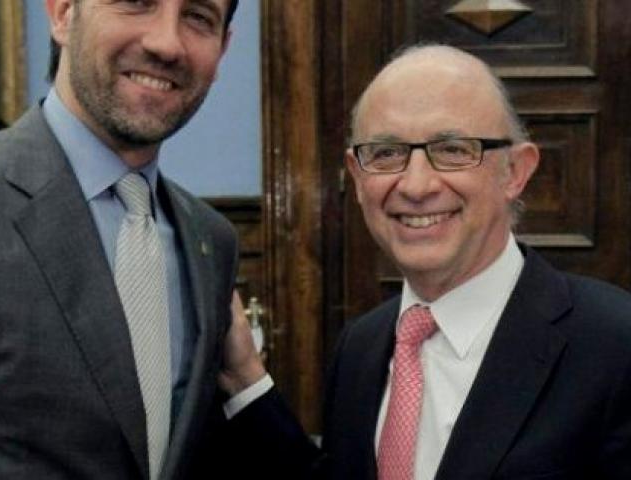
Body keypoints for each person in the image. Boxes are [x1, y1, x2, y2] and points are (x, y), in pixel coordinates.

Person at [220, 44, 631, 479]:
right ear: (357, 177)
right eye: (386, 153)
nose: (416, 186)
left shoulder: (614, 345)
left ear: (515, 171)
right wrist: (246, 380)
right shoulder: (360, 347)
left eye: (453, 149)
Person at [0, 0, 243, 478]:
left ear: (222, 48)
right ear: (63, 12)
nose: (167, 43)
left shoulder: (211, 240)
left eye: (198, 17)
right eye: (136, 3)